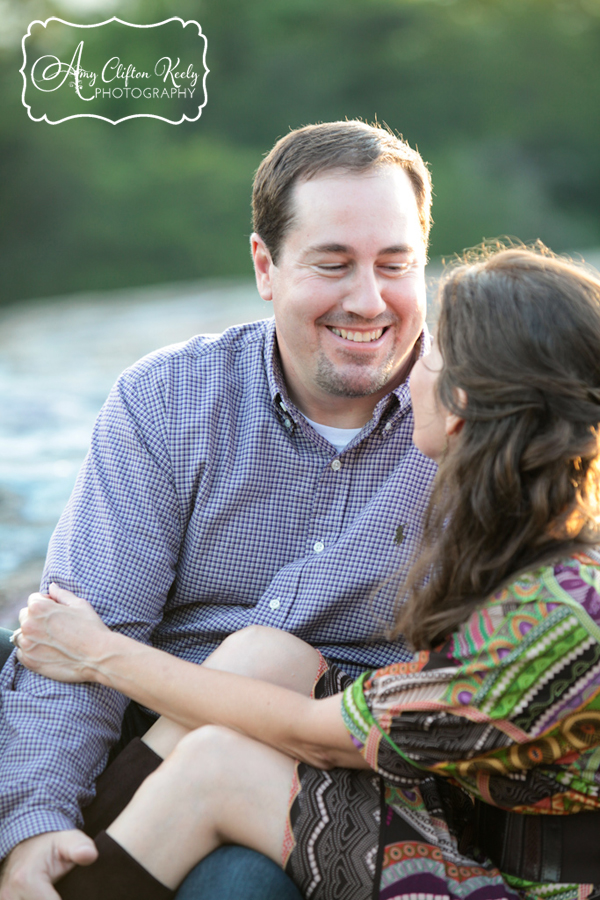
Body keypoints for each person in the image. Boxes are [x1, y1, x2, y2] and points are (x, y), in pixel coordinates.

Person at [13, 245, 600, 900]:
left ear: (464, 404)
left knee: (219, 770)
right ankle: (46, 864)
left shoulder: (561, 613)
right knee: (263, 655)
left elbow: (321, 740)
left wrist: (101, 655)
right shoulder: (534, 534)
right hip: (457, 809)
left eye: (432, 355)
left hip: (519, 883)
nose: (410, 371)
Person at [0, 120, 438, 900]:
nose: (368, 300)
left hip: (351, 772)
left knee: (239, 875)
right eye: (332, 265)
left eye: (395, 265)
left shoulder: (475, 419)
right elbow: (77, 642)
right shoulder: (169, 399)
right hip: (155, 744)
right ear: (266, 266)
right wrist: (33, 824)